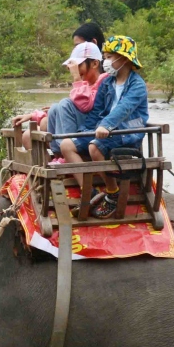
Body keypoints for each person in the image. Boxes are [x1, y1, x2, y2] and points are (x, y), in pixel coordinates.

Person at [61, 36, 149, 219]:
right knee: (66, 145)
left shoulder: (137, 85)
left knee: (95, 147)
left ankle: (112, 192)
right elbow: (97, 112)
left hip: (129, 129)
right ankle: (89, 191)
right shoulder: (107, 82)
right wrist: (83, 132)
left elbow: (124, 109)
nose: (105, 61)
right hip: (105, 130)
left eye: (109, 57)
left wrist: (106, 125)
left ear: (123, 58)